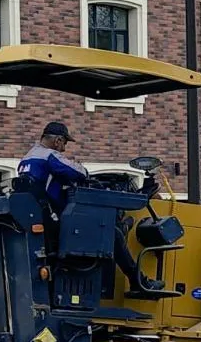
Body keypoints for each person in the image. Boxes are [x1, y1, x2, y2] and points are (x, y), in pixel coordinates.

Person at [17, 121, 161, 291]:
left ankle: (124, 229)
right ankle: (138, 282)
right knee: (112, 233)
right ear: (57, 141)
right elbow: (78, 172)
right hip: (56, 221)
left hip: (43, 219)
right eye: (64, 144)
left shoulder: (26, 159)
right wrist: (83, 170)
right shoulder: (49, 156)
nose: (64, 149)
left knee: (112, 230)